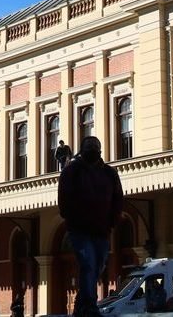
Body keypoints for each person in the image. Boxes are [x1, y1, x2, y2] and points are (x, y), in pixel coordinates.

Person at [58, 136, 124, 317]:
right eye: (89, 147)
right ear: (82, 150)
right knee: (88, 264)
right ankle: (89, 306)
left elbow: (118, 197)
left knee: (98, 266)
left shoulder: (109, 173)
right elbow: (64, 196)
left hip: (101, 229)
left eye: (95, 147)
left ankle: (81, 302)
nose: (93, 150)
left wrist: (112, 221)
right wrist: (70, 217)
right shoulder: (72, 170)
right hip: (79, 229)